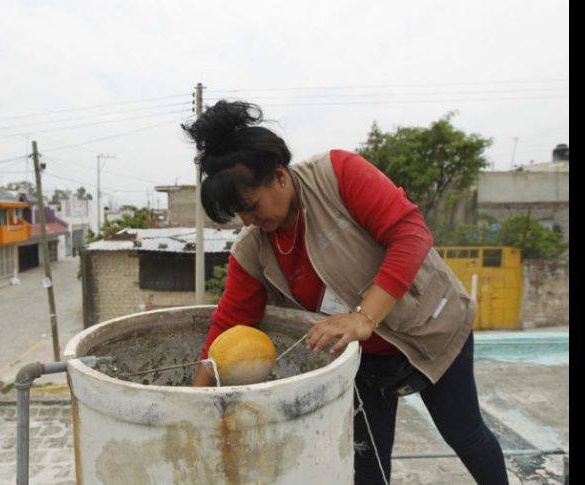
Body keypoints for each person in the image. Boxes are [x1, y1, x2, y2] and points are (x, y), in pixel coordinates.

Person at [182, 100, 509, 485]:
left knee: (464, 435)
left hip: (432, 327)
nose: (249, 221)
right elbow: (228, 323)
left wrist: (364, 317)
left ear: (280, 176)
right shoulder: (252, 247)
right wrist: (191, 407)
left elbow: (409, 234)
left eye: (251, 207)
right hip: (364, 361)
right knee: (366, 464)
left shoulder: (336, 175)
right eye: (240, 215)